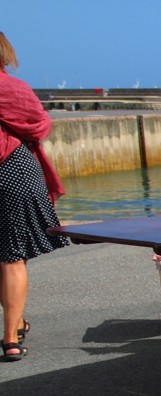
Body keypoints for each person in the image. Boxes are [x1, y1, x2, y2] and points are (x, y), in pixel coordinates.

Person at [0, 31, 68, 362]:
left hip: (11, 173)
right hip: (15, 172)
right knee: (13, 256)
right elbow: (39, 124)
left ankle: (16, 321)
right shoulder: (14, 89)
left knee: (6, 255)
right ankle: (10, 337)